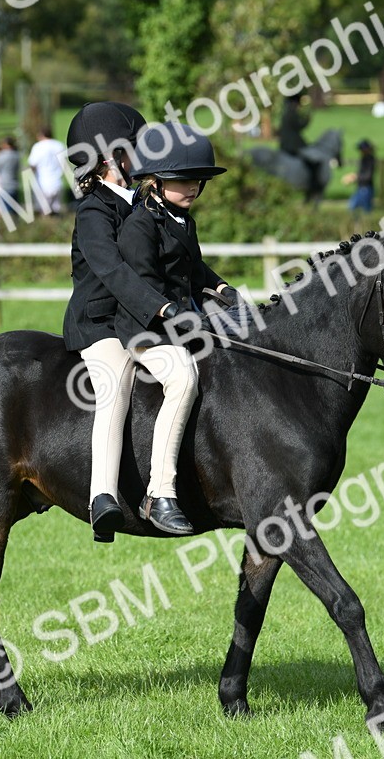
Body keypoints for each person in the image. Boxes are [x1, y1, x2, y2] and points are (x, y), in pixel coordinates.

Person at [116, 122, 236, 537]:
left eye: (197, 180)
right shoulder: (139, 225)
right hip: (147, 328)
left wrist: (221, 288)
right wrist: (178, 316)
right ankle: (160, 492)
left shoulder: (182, 220)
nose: (193, 188)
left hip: (185, 319)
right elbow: (143, 283)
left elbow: (193, 268)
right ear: (155, 179)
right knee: (183, 379)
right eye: (183, 180)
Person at [61, 102, 167, 542]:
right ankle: (102, 496)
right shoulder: (93, 212)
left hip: (136, 321)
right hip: (100, 325)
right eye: (136, 147)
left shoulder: (143, 204)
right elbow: (113, 272)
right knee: (117, 384)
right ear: (111, 157)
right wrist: (159, 308)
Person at [27, 126, 67, 216]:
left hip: (42, 183)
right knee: (56, 212)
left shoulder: (38, 146)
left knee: (44, 212)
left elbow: (32, 164)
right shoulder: (59, 145)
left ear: (41, 135)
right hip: (57, 182)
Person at [346, 138, 376, 215]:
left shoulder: (370, 159)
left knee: (358, 208)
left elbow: (368, 175)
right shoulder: (364, 159)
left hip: (365, 188)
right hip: (361, 187)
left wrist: (355, 177)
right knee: (355, 208)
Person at [277, 93, 309, 157]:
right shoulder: (292, 113)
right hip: (292, 144)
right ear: (295, 103)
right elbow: (298, 126)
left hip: (284, 142)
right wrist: (307, 120)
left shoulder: (286, 111)